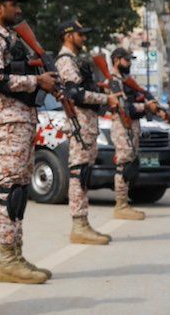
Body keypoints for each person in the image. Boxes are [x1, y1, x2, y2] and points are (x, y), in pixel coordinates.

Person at [0, 0, 57, 284]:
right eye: (14, 4)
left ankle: (16, 255)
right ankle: (7, 260)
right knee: (10, 189)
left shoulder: (10, 37)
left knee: (20, 191)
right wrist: (38, 82)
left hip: (22, 119)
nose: (19, 9)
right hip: (8, 121)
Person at [54, 19, 117, 243]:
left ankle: (83, 223)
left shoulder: (73, 60)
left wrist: (99, 90)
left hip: (88, 124)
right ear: (68, 36)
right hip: (80, 124)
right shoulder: (65, 61)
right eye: (80, 34)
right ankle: (78, 225)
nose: (84, 38)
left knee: (84, 174)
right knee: (78, 175)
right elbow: (75, 94)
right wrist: (105, 98)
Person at [106, 49, 158, 217]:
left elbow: (134, 102)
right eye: (126, 60)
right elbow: (123, 107)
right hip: (122, 126)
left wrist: (146, 102)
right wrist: (146, 107)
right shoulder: (114, 81)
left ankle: (124, 202)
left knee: (130, 164)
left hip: (131, 126)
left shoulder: (126, 81)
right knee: (124, 164)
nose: (129, 63)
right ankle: (120, 206)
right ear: (116, 60)